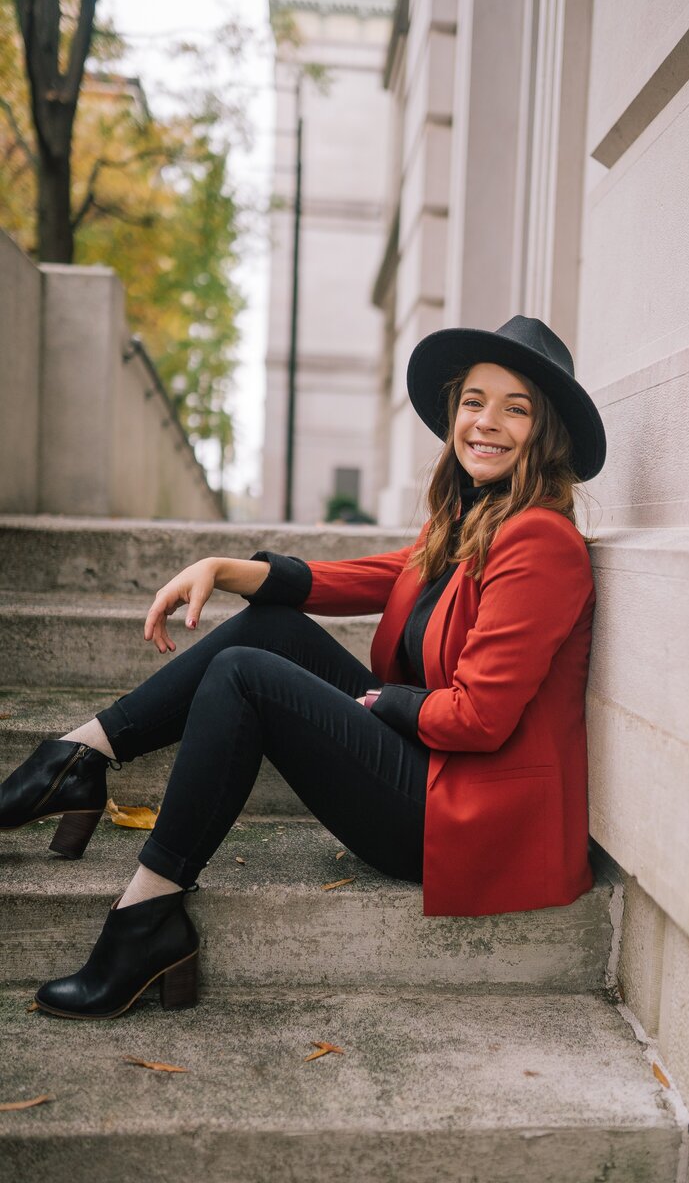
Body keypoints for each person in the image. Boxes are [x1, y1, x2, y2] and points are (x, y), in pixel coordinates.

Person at [0, 315, 606, 1020]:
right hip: (430, 765)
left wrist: (388, 705)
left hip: (465, 817)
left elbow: (479, 718)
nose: (487, 422)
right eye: (474, 401)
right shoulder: (471, 520)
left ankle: (148, 910)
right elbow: (367, 577)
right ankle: (80, 756)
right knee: (270, 627)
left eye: (516, 408)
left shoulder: (539, 541)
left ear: (548, 432)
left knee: (244, 675)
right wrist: (229, 568)